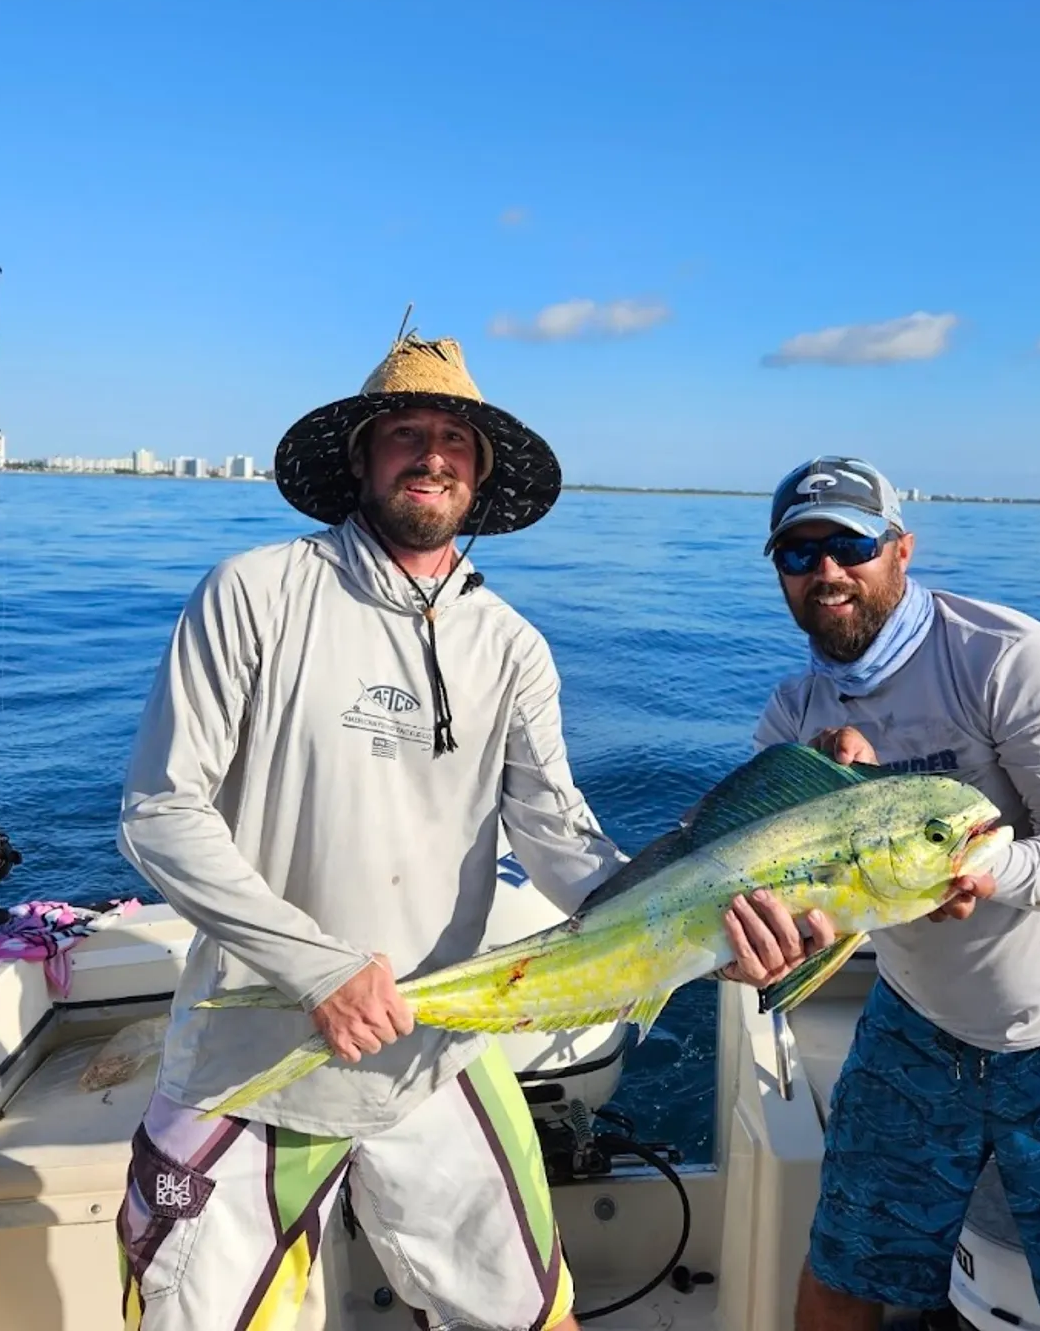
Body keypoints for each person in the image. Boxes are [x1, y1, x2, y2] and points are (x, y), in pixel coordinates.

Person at [112, 330, 833, 1331]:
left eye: (457, 437)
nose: (433, 453)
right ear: (363, 458)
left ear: (481, 474)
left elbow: (563, 841)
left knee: (536, 1320)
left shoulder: (511, 646)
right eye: (407, 430)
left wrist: (707, 931)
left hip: (436, 1050)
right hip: (256, 1060)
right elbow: (161, 813)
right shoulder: (255, 593)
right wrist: (320, 969)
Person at [756, 457, 1040, 1331]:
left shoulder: (1008, 658)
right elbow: (795, 900)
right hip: (918, 1027)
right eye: (800, 555)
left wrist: (978, 869)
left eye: (850, 543)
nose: (827, 572)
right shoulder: (792, 721)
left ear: (901, 547)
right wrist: (769, 944)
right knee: (843, 1267)